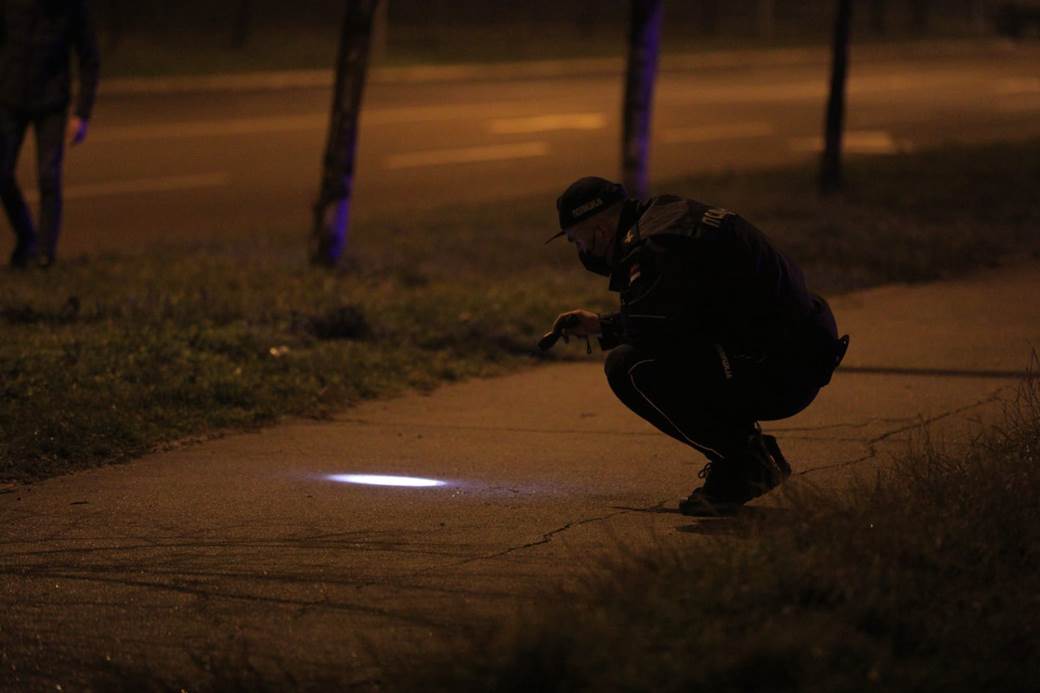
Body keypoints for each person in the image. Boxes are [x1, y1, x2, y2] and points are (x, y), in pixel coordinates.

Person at [545, 177, 848, 515]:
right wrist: (603, 326)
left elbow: (654, 333)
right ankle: (746, 454)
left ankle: (745, 465)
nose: (581, 252)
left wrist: (613, 330)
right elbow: (680, 313)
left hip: (781, 369)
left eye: (577, 241)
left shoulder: (651, 246)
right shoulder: (668, 213)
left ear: (599, 230)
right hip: (799, 348)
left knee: (629, 367)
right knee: (663, 350)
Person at [1, 0, 100, 269]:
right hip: (10, 99)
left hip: (52, 103)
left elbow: (89, 58)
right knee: (3, 174)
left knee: (48, 175)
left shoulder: (71, 7)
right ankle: (26, 238)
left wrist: (82, 114)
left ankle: (45, 254)